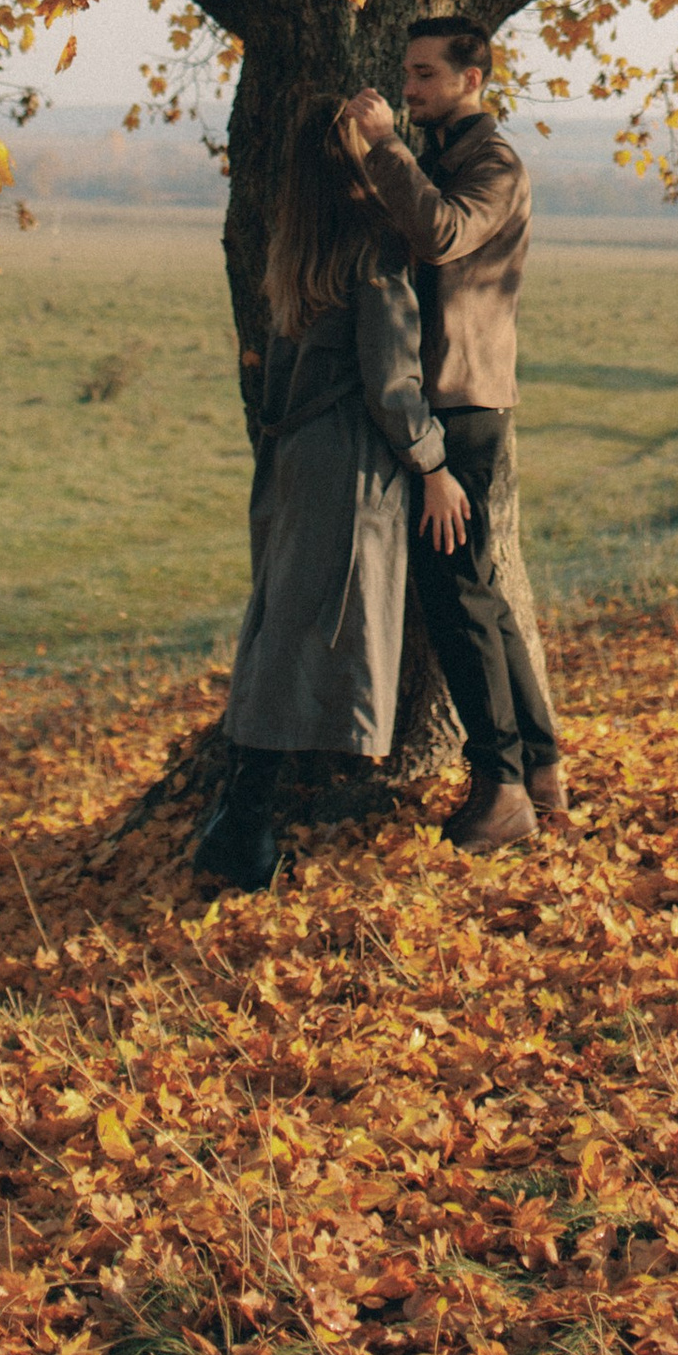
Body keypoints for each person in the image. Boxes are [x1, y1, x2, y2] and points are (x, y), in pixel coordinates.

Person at [193, 100, 471, 893]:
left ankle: (239, 817)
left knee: (281, 626)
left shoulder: (295, 244)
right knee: (303, 636)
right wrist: (433, 465)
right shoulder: (372, 246)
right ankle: (245, 826)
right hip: (347, 461)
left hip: (294, 460)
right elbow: (391, 381)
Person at [338, 16, 564, 854]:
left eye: (426, 74)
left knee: (457, 600)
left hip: (462, 407)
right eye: (408, 74)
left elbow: (439, 236)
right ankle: (541, 770)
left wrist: (384, 147)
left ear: (473, 78)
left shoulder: (493, 164)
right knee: (479, 592)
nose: (410, 88)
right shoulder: (444, 159)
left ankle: (501, 789)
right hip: (453, 399)